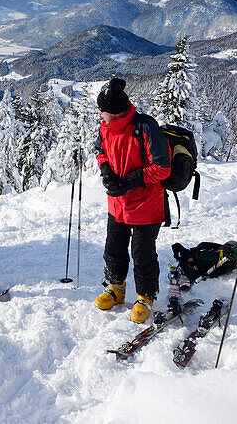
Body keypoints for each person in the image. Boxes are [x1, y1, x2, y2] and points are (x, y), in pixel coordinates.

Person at [92, 77, 171, 323]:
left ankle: (145, 297)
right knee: (113, 248)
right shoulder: (105, 128)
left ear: (114, 112)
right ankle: (116, 289)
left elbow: (162, 167)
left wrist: (130, 180)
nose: (100, 114)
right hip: (118, 204)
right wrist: (106, 171)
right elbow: (101, 151)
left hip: (146, 203)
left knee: (142, 252)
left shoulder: (145, 127)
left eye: (102, 111)